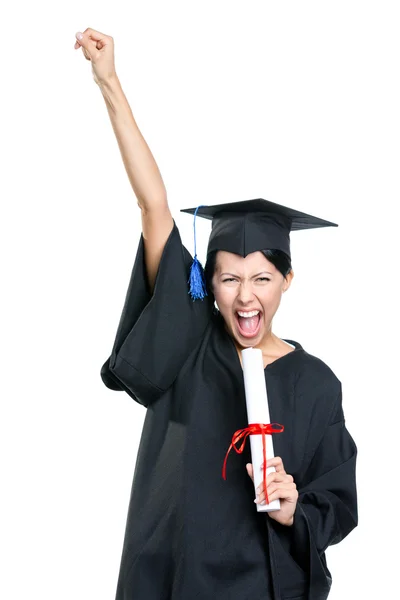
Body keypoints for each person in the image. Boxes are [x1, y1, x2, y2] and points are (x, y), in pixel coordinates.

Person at [75, 28, 358, 600]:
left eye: (262, 279)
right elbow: (153, 206)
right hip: (175, 578)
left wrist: (293, 506)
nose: (245, 297)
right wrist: (109, 82)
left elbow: (338, 503)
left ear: (287, 281)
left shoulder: (317, 384)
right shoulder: (190, 341)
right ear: (209, 284)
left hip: (268, 585)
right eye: (228, 279)